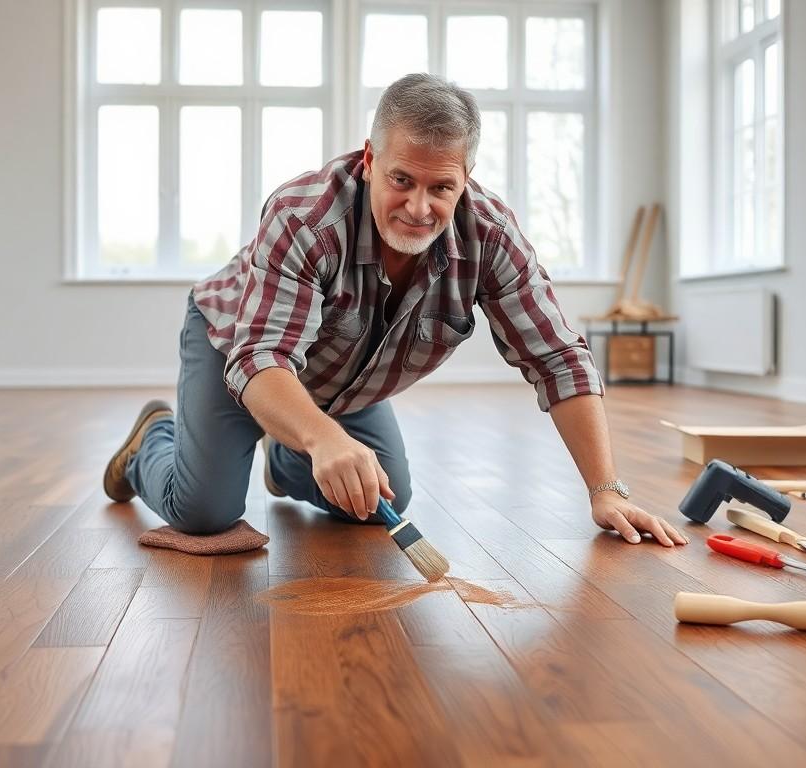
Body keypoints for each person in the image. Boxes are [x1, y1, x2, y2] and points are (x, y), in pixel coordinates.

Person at [101, 73, 688, 548]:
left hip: (344, 381)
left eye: (441, 188)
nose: (418, 207)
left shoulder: (491, 236)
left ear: (466, 179)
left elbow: (558, 358)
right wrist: (323, 438)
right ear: (369, 160)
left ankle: (289, 456)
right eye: (402, 179)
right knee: (204, 511)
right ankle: (153, 441)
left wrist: (604, 489)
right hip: (237, 347)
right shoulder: (305, 217)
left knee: (380, 500)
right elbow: (260, 356)